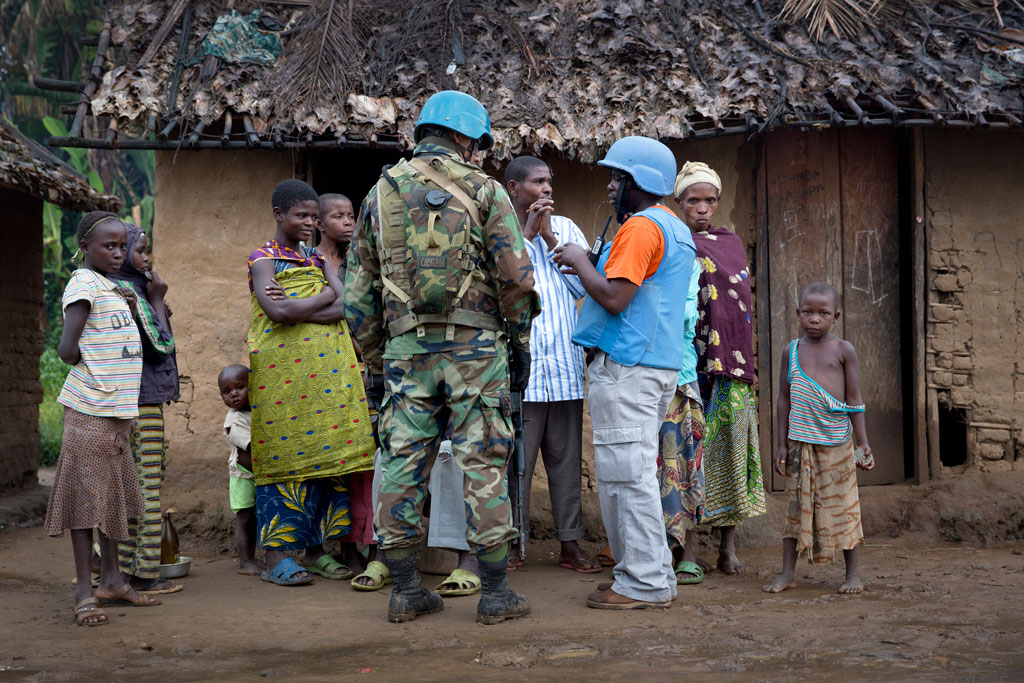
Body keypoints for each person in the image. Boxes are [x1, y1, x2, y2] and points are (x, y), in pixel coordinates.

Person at [345, 90, 541, 624]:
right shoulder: (487, 190)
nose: (480, 153)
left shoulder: (379, 194)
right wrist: (519, 342)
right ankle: (495, 595)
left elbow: (357, 295)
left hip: (406, 353)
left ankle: (406, 589)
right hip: (477, 354)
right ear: (463, 138)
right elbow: (517, 280)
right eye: (479, 144)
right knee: (484, 463)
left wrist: (378, 360)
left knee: (401, 464)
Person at [554, 136, 695, 610]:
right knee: (636, 475)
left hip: (629, 368)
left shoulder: (640, 227)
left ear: (640, 182)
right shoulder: (673, 227)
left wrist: (579, 261)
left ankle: (642, 583)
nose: (611, 187)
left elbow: (615, 298)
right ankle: (653, 575)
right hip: (654, 365)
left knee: (625, 478)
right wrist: (581, 261)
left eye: (618, 178)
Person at [247, 179, 377, 586]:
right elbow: (276, 313)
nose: (309, 222)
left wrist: (301, 304)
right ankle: (277, 557)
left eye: (312, 216)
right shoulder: (263, 260)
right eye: (300, 215)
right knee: (284, 460)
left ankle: (318, 551)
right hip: (283, 379)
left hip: (327, 379)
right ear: (278, 214)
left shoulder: (316, 259)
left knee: (330, 456)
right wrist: (321, 297)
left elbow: (346, 305)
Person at [46, 212, 159, 626]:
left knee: (110, 497)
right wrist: (96, 373)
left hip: (117, 412)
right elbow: (66, 350)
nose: (117, 253)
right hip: (90, 409)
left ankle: (112, 580)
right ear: (85, 248)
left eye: (121, 247)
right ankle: (83, 592)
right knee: (84, 502)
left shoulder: (112, 287)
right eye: (108, 246)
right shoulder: (83, 283)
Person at [503, 155, 599, 574]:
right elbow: (504, 283)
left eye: (549, 182)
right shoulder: (499, 230)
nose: (546, 189)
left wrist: (547, 237)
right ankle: (512, 543)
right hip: (520, 372)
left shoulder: (567, 229)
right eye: (538, 182)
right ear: (514, 188)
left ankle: (570, 544)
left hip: (563, 370)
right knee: (514, 465)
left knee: (566, 464)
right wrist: (526, 237)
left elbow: (582, 287)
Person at [674, 162, 765, 575]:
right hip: (688, 366)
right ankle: (687, 550)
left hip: (730, 366)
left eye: (709, 200)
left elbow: (738, 305)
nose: (702, 208)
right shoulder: (674, 243)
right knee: (686, 455)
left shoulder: (731, 244)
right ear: (679, 202)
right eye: (694, 200)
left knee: (728, 452)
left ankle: (727, 549)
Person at [764, 282, 873, 595]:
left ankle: (853, 575)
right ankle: (787, 574)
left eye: (823, 313)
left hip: (837, 443)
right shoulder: (791, 351)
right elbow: (783, 398)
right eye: (807, 312)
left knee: (845, 507)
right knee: (795, 508)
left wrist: (863, 443)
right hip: (800, 444)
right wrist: (781, 444)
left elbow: (854, 400)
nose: (814, 318)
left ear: (835, 316)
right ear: (798, 313)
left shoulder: (844, 350)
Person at [112, 223, 182, 596]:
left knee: (131, 487)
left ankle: (120, 570)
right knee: (147, 488)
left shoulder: (125, 288)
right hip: (143, 402)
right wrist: (157, 302)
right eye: (139, 251)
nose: (147, 257)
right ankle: (145, 573)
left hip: (127, 400)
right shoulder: (133, 293)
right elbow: (161, 346)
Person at [313, 192, 377, 577]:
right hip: (321, 374)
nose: (349, 222)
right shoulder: (308, 262)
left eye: (351, 215)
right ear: (319, 223)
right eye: (338, 216)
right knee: (327, 463)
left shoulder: (361, 261)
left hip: (361, 373)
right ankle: (327, 547)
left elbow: (366, 307)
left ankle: (360, 545)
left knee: (362, 463)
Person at [656, 239, 706, 585]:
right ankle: (653, 553)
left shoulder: (687, 264)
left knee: (686, 464)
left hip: (680, 377)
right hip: (640, 375)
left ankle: (688, 552)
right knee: (651, 467)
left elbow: (686, 316)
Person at [218, 364, 260, 575]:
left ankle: (253, 558)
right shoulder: (235, 419)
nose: (234, 394)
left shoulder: (257, 412)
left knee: (255, 518)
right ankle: (245, 562)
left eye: (240, 387)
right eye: (227, 391)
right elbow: (254, 447)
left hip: (258, 476)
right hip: (243, 476)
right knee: (244, 518)